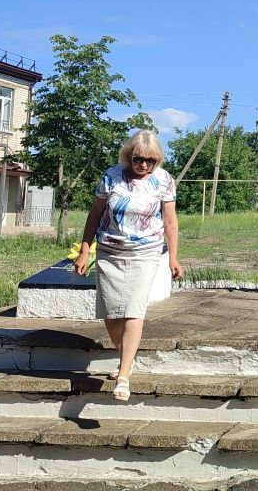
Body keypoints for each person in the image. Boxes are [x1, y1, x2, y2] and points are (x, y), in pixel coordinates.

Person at [73, 130, 182, 401]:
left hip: (146, 251)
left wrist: (173, 258)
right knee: (111, 315)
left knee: (134, 310)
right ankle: (127, 355)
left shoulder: (163, 180)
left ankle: (123, 376)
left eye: (150, 160)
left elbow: (170, 221)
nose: (144, 165)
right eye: (138, 159)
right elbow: (95, 214)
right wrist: (85, 251)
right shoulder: (112, 177)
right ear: (128, 156)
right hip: (110, 250)